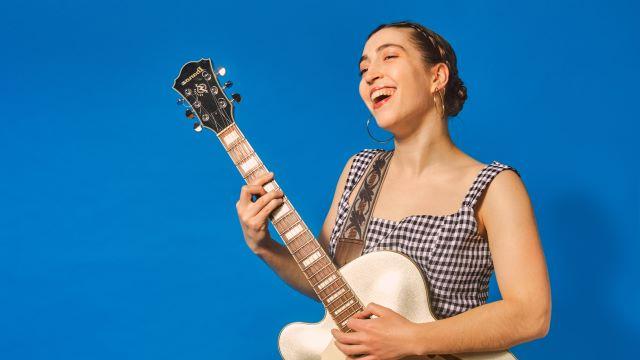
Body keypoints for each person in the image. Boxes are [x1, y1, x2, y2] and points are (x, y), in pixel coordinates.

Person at [235, 20, 551, 359]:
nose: (370, 75)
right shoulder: (359, 171)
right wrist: (264, 246)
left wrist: (414, 339)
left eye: (389, 57)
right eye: (363, 68)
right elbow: (331, 286)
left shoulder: (494, 186)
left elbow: (531, 315)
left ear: (437, 77)